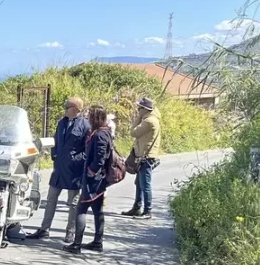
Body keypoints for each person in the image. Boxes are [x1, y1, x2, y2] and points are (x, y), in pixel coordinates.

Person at [27, 97, 90, 243]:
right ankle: (44, 229)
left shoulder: (85, 126)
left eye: (67, 107)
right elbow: (56, 140)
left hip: (74, 171)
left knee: (73, 203)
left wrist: (76, 159)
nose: (65, 109)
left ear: (76, 109)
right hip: (59, 168)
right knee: (51, 199)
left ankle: (70, 232)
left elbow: (88, 149)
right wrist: (54, 155)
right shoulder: (62, 123)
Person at [64, 105, 114, 254]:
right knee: (98, 210)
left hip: (94, 179)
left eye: (90, 115)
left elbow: (99, 158)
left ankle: (77, 244)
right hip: (98, 178)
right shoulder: (103, 132)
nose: (87, 117)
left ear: (95, 117)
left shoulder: (100, 135)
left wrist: (91, 172)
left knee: (81, 209)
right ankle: (97, 242)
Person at [122, 96, 161, 220]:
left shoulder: (149, 121)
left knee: (145, 184)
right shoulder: (150, 119)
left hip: (146, 157)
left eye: (140, 108)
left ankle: (147, 211)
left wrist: (138, 117)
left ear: (145, 109)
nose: (138, 110)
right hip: (143, 155)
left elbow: (133, 132)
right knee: (139, 183)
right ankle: (137, 207)